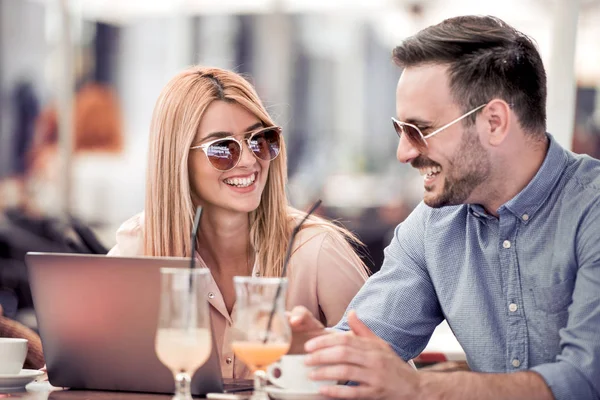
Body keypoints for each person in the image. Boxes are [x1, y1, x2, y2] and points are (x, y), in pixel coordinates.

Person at [289, 15, 600, 400]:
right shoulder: (431, 226)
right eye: (399, 130)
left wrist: (420, 387)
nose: (403, 153)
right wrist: (306, 353)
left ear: (494, 122)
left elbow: (585, 381)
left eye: (418, 130)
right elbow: (365, 349)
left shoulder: (592, 209)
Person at [108, 66, 370, 379]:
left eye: (260, 140)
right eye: (222, 148)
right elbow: (96, 368)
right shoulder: (138, 246)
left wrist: (323, 350)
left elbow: (390, 378)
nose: (249, 161)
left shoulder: (318, 252)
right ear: (177, 159)